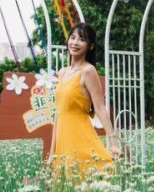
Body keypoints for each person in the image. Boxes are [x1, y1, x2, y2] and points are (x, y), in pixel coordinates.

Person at [48, 22, 121, 180]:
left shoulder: (88, 71)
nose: (74, 43)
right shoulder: (62, 73)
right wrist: (52, 152)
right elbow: (58, 114)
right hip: (63, 142)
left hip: (81, 138)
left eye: (81, 39)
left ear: (90, 46)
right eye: (72, 38)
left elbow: (100, 108)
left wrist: (113, 142)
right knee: (65, 189)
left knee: (88, 185)